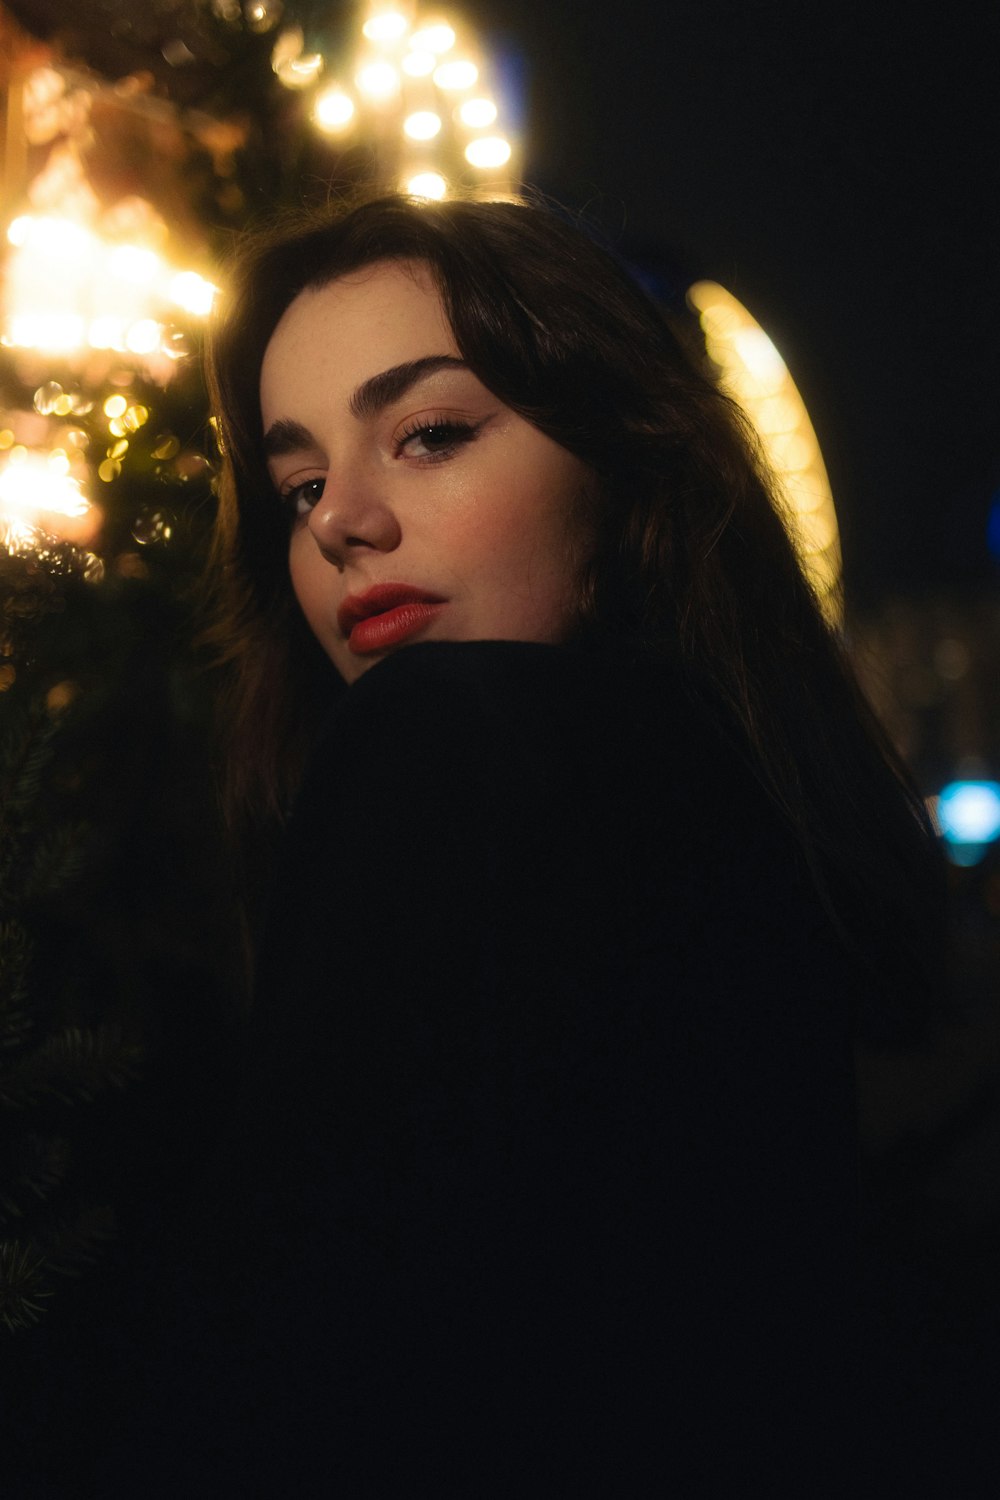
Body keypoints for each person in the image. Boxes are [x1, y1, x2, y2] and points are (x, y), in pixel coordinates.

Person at [107, 193, 944, 1493]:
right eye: (301, 483)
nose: (340, 523)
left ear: (621, 469)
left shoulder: (447, 746)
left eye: (430, 435)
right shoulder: (754, 820)